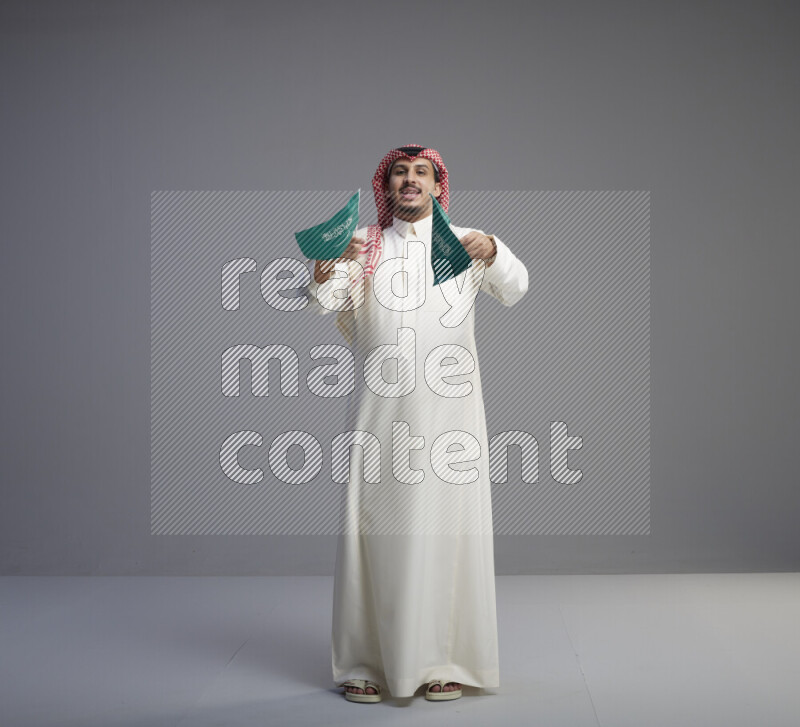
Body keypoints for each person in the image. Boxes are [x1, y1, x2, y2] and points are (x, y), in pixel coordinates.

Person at [303, 145, 528, 702]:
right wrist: (324, 267)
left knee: (447, 531)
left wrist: (496, 250)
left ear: (436, 184)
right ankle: (364, 662)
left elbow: (516, 287)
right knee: (372, 531)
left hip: (452, 416)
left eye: (420, 173)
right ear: (387, 184)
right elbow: (323, 301)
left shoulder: (465, 241)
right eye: (400, 173)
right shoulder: (364, 243)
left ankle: (442, 661)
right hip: (380, 414)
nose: (410, 181)